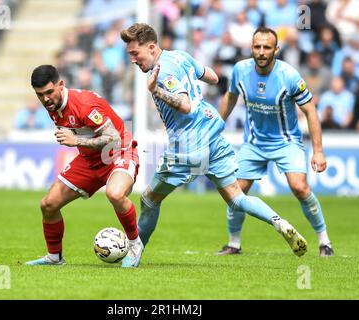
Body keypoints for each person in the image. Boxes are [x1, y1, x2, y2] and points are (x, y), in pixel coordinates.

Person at [120, 23, 308, 266]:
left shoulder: (162, 72)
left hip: (188, 145)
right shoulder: (179, 56)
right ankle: (278, 222)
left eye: (136, 53)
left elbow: (185, 105)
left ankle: (132, 258)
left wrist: (157, 90)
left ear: (152, 47)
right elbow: (212, 76)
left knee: (149, 200)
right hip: (212, 132)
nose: (134, 59)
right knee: (236, 198)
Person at [218, 27, 334, 257]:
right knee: (236, 192)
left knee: (299, 187)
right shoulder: (240, 70)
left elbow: (311, 111)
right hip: (253, 143)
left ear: (276, 50)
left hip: (286, 142)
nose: (261, 52)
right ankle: (234, 243)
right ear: (251, 48)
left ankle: (324, 241)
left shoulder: (289, 76)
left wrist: (318, 151)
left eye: (267, 47)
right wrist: (215, 126)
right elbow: (230, 97)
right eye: (257, 47)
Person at [25, 65, 143, 268]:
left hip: (118, 152)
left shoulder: (84, 105)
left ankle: (134, 244)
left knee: (115, 194)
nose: (45, 99)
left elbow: (112, 137)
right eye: (40, 95)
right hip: (90, 161)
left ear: (61, 85)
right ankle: (54, 257)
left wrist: (76, 141)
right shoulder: (53, 107)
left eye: (49, 92)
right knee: (48, 204)